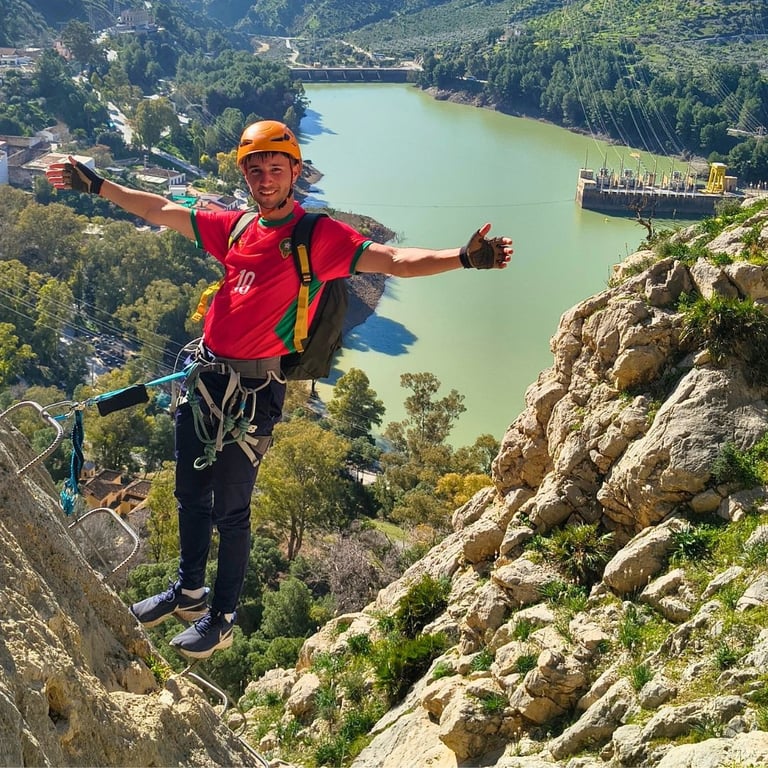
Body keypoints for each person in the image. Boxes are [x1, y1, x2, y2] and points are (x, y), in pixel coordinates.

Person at [46, 120, 513, 659]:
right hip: (205, 378)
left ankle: (221, 618)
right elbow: (159, 210)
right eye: (254, 169)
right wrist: (96, 185)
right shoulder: (238, 228)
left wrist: (462, 256)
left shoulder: (319, 236)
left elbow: (394, 262)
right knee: (189, 494)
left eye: (275, 168)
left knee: (232, 509)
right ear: (244, 174)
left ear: (294, 172)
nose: (264, 178)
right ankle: (189, 591)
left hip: (251, 393)